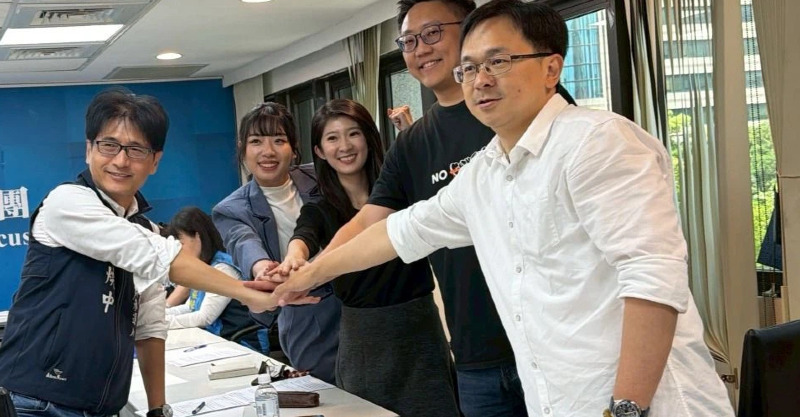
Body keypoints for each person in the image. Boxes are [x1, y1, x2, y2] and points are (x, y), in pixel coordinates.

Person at [271, 1, 736, 416]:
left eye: (499, 61)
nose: (481, 79)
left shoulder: (596, 142)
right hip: (553, 396)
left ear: (551, 68)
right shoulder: (485, 174)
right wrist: (308, 275)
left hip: (644, 400)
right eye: (470, 68)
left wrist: (627, 408)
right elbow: (399, 231)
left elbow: (652, 279)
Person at [288, 1, 562, 414]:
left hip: (551, 340)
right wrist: (307, 273)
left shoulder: (520, 112)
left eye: (433, 33)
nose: (421, 49)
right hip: (476, 352)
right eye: (409, 41)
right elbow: (372, 223)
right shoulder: (413, 144)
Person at [0, 88, 294, 417]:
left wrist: (157, 408)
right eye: (109, 145)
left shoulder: (145, 228)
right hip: (35, 402)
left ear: (155, 161)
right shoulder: (67, 202)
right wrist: (248, 293)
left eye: (136, 149)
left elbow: (150, 325)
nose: (120, 160)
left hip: (97, 405)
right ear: (88, 150)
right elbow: (161, 258)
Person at [271, 99, 458, 416]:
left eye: (353, 133)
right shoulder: (320, 209)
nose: (344, 146)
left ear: (369, 138)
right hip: (363, 340)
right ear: (319, 151)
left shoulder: (401, 192)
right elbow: (304, 236)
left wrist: (412, 133)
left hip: (419, 329)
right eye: (332, 138)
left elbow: (440, 189)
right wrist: (294, 258)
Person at [212, 102, 341, 384]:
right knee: (331, 396)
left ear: (294, 148)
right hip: (307, 313)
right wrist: (262, 268)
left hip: (358, 302)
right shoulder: (231, 209)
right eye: (256, 141)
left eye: (279, 140)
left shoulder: (323, 177)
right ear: (242, 149)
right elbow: (243, 242)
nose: (268, 151)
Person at [163, 207, 270, 354]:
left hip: (241, 344)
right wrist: (159, 316)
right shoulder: (204, 267)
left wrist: (161, 323)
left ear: (198, 237)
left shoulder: (223, 268)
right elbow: (191, 307)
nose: (179, 252)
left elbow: (205, 317)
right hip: (219, 341)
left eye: (181, 244)